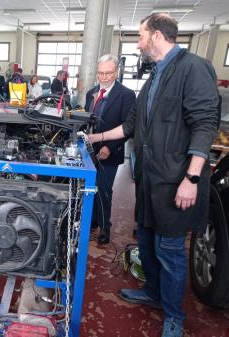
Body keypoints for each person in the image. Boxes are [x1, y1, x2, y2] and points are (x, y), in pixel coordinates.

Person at [88, 13, 219, 337]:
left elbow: (205, 124)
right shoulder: (154, 77)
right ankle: (153, 294)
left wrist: (191, 179)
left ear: (157, 35)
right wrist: (93, 138)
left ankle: (173, 315)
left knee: (170, 252)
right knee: (146, 243)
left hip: (176, 181)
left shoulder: (194, 68)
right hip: (149, 181)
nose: (138, 42)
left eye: (140, 35)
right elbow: (130, 126)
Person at [85, 54, 135, 245]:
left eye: (108, 73)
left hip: (110, 151)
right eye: (100, 73)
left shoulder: (126, 95)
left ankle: (105, 227)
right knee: (90, 188)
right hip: (90, 150)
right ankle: (92, 222)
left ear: (116, 73)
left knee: (104, 190)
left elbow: (127, 127)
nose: (104, 77)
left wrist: (110, 146)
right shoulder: (92, 92)